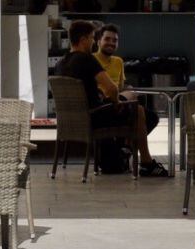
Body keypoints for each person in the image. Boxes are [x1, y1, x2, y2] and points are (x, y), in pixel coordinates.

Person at [56, 20, 170, 177]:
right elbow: (112, 88)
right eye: (91, 38)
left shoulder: (61, 63)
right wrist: (117, 102)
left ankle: (125, 152)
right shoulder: (87, 59)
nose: (92, 43)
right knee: (138, 110)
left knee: (132, 99)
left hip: (76, 118)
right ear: (83, 40)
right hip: (96, 116)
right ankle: (146, 163)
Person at [94, 24, 159, 133]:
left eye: (115, 40)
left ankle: (127, 145)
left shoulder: (118, 61)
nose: (111, 43)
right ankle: (126, 145)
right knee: (138, 112)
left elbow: (120, 87)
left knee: (152, 118)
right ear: (98, 41)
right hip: (102, 105)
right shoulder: (92, 60)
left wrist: (128, 89)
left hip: (119, 103)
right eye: (107, 39)